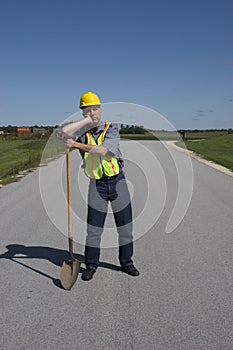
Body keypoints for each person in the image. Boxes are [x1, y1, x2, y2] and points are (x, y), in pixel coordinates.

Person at [62, 92, 139, 281]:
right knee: (94, 230)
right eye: (88, 111)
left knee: (125, 227)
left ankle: (127, 262)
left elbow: (103, 151)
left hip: (118, 182)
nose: (93, 113)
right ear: (83, 114)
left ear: (101, 110)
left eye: (96, 109)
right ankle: (91, 265)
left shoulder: (111, 128)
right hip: (97, 186)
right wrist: (85, 122)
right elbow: (64, 133)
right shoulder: (82, 133)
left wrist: (76, 145)